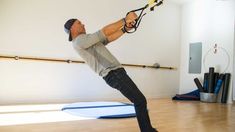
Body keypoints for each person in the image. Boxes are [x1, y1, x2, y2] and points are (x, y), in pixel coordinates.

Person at [64, 12, 157, 132]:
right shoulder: (79, 41)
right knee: (139, 100)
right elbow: (104, 31)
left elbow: (108, 38)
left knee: (139, 100)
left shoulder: (87, 41)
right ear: (72, 28)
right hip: (114, 74)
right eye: (79, 23)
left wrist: (125, 29)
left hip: (116, 74)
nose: (83, 24)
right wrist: (125, 19)